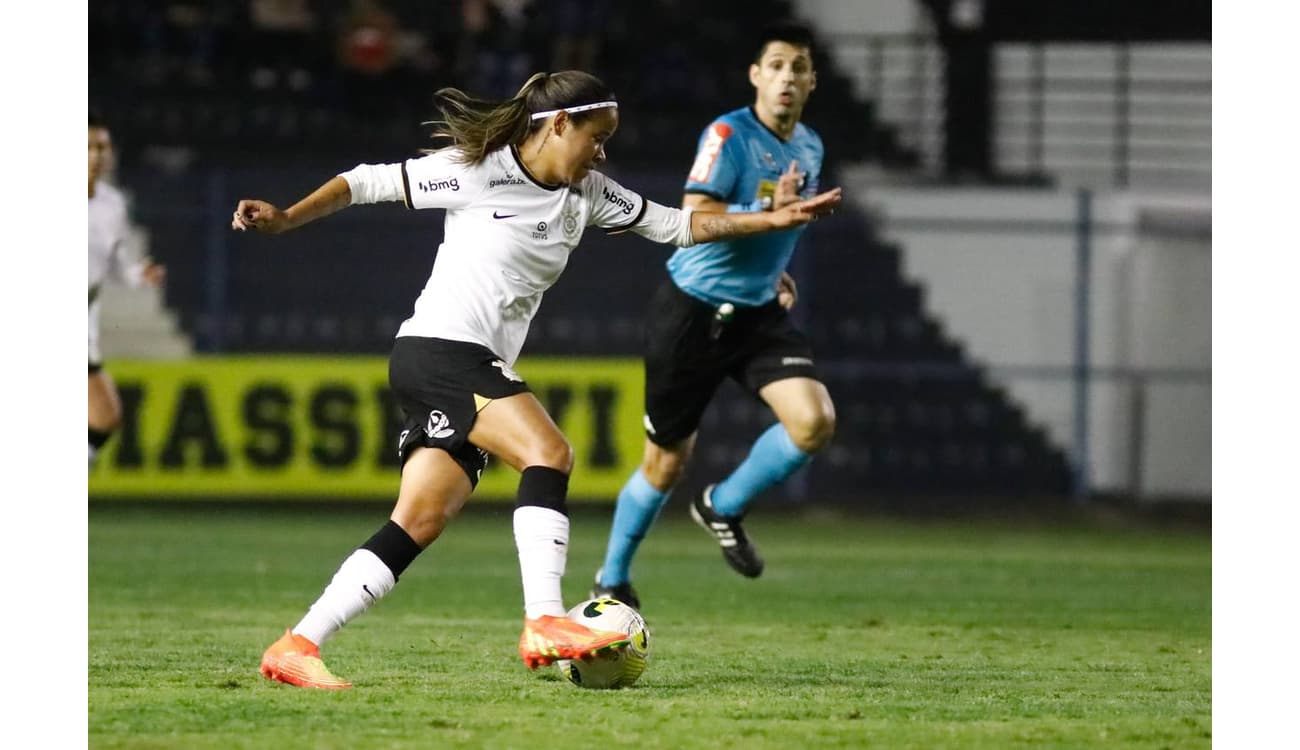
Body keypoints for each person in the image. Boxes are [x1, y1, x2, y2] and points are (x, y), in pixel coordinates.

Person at [231, 69, 841, 689]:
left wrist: (770, 221)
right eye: (596, 137)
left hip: (458, 360)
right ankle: (545, 620)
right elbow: (366, 182)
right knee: (549, 452)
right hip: (440, 348)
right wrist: (285, 218)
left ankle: (297, 645)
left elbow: (679, 226)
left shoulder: (590, 192)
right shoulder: (479, 170)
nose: (602, 152)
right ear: (558, 125)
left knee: (419, 518)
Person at [591, 23, 836, 609]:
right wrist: (766, 212)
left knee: (813, 421)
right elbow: (695, 212)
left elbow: (785, 221)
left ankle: (722, 506)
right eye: (775, 65)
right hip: (693, 313)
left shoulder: (811, 146)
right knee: (666, 463)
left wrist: (774, 268)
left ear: (811, 82)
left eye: (798, 68)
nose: (786, 78)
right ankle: (611, 577)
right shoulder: (728, 134)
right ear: (756, 75)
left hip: (757, 314)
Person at [88, 112, 166, 469]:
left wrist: (138, 275)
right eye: (87, 147)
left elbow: (114, 263)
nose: (96, 155)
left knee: (105, 418)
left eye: (102, 146)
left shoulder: (112, 204)